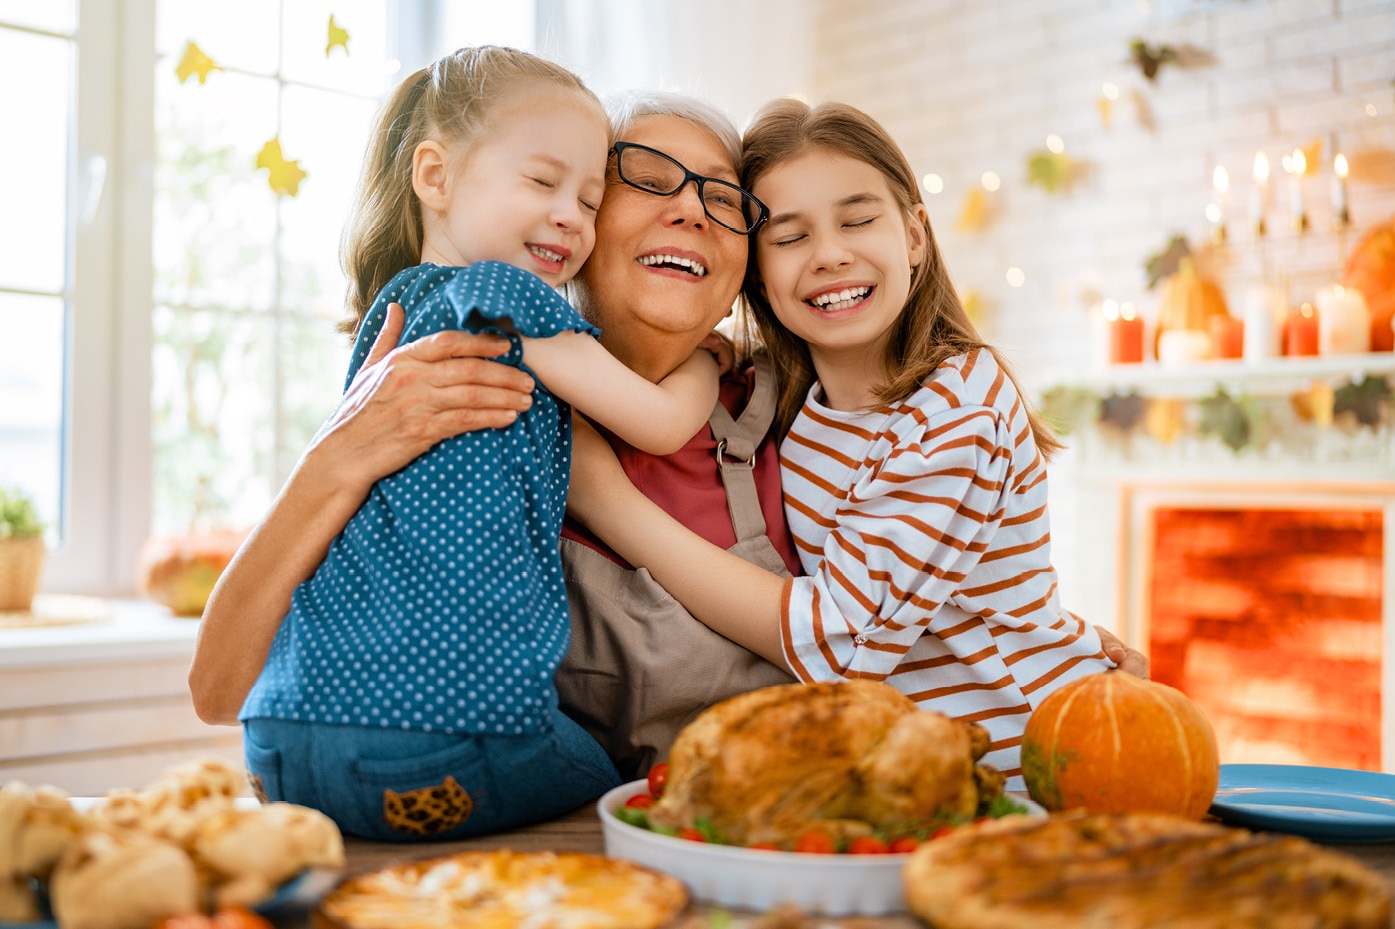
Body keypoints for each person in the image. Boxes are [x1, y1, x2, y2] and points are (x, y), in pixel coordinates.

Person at [190, 86, 1145, 807]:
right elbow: (218, 686)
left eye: (724, 199)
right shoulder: (462, 393)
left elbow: (892, 599)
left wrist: (1049, 641)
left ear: (742, 268)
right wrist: (340, 459)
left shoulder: (783, 403)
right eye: (646, 178)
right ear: (574, 226)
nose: (689, 208)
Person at [213, 46, 742, 842]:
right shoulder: (504, 296)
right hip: (445, 741)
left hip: (282, 742)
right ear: (435, 175)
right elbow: (662, 423)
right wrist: (709, 354)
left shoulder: (385, 324)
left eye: (588, 199)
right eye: (542, 182)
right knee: (614, 783)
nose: (570, 214)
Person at [564, 99, 1120, 784]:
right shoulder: (786, 396)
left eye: (857, 220)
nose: (830, 254)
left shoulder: (957, 407)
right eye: (789, 237)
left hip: (1026, 772)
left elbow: (837, 641)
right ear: (757, 274)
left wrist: (602, 499)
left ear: (915, 235)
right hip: (902, 782)